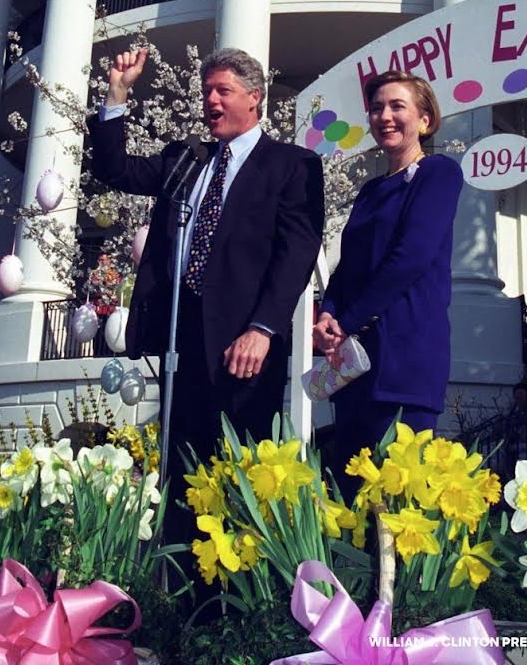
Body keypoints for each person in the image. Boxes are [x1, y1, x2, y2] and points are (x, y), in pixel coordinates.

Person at [89, 47, 325, 501]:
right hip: (181, 338)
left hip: (244, 345)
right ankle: (177, 549)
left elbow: (296, 254)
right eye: (206, 92)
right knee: (183, 474)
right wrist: (117, 92)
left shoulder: (292, 165)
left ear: (254, 97)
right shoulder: (186, 159)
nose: (210, 101)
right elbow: (114, 169)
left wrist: (263, 328)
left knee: (241, 474)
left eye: (223, 91)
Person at [311, 69, 463, 500]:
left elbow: (412, 256)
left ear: (425, 120)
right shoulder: (371, 191)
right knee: (350, 496)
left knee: (399, 501)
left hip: (405, 357)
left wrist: (347, 321)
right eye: (377, 108)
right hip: (354, 365)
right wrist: (329, 313)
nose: (385, 116)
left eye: (398, 106)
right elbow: (348, 266)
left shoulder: (438, 173)